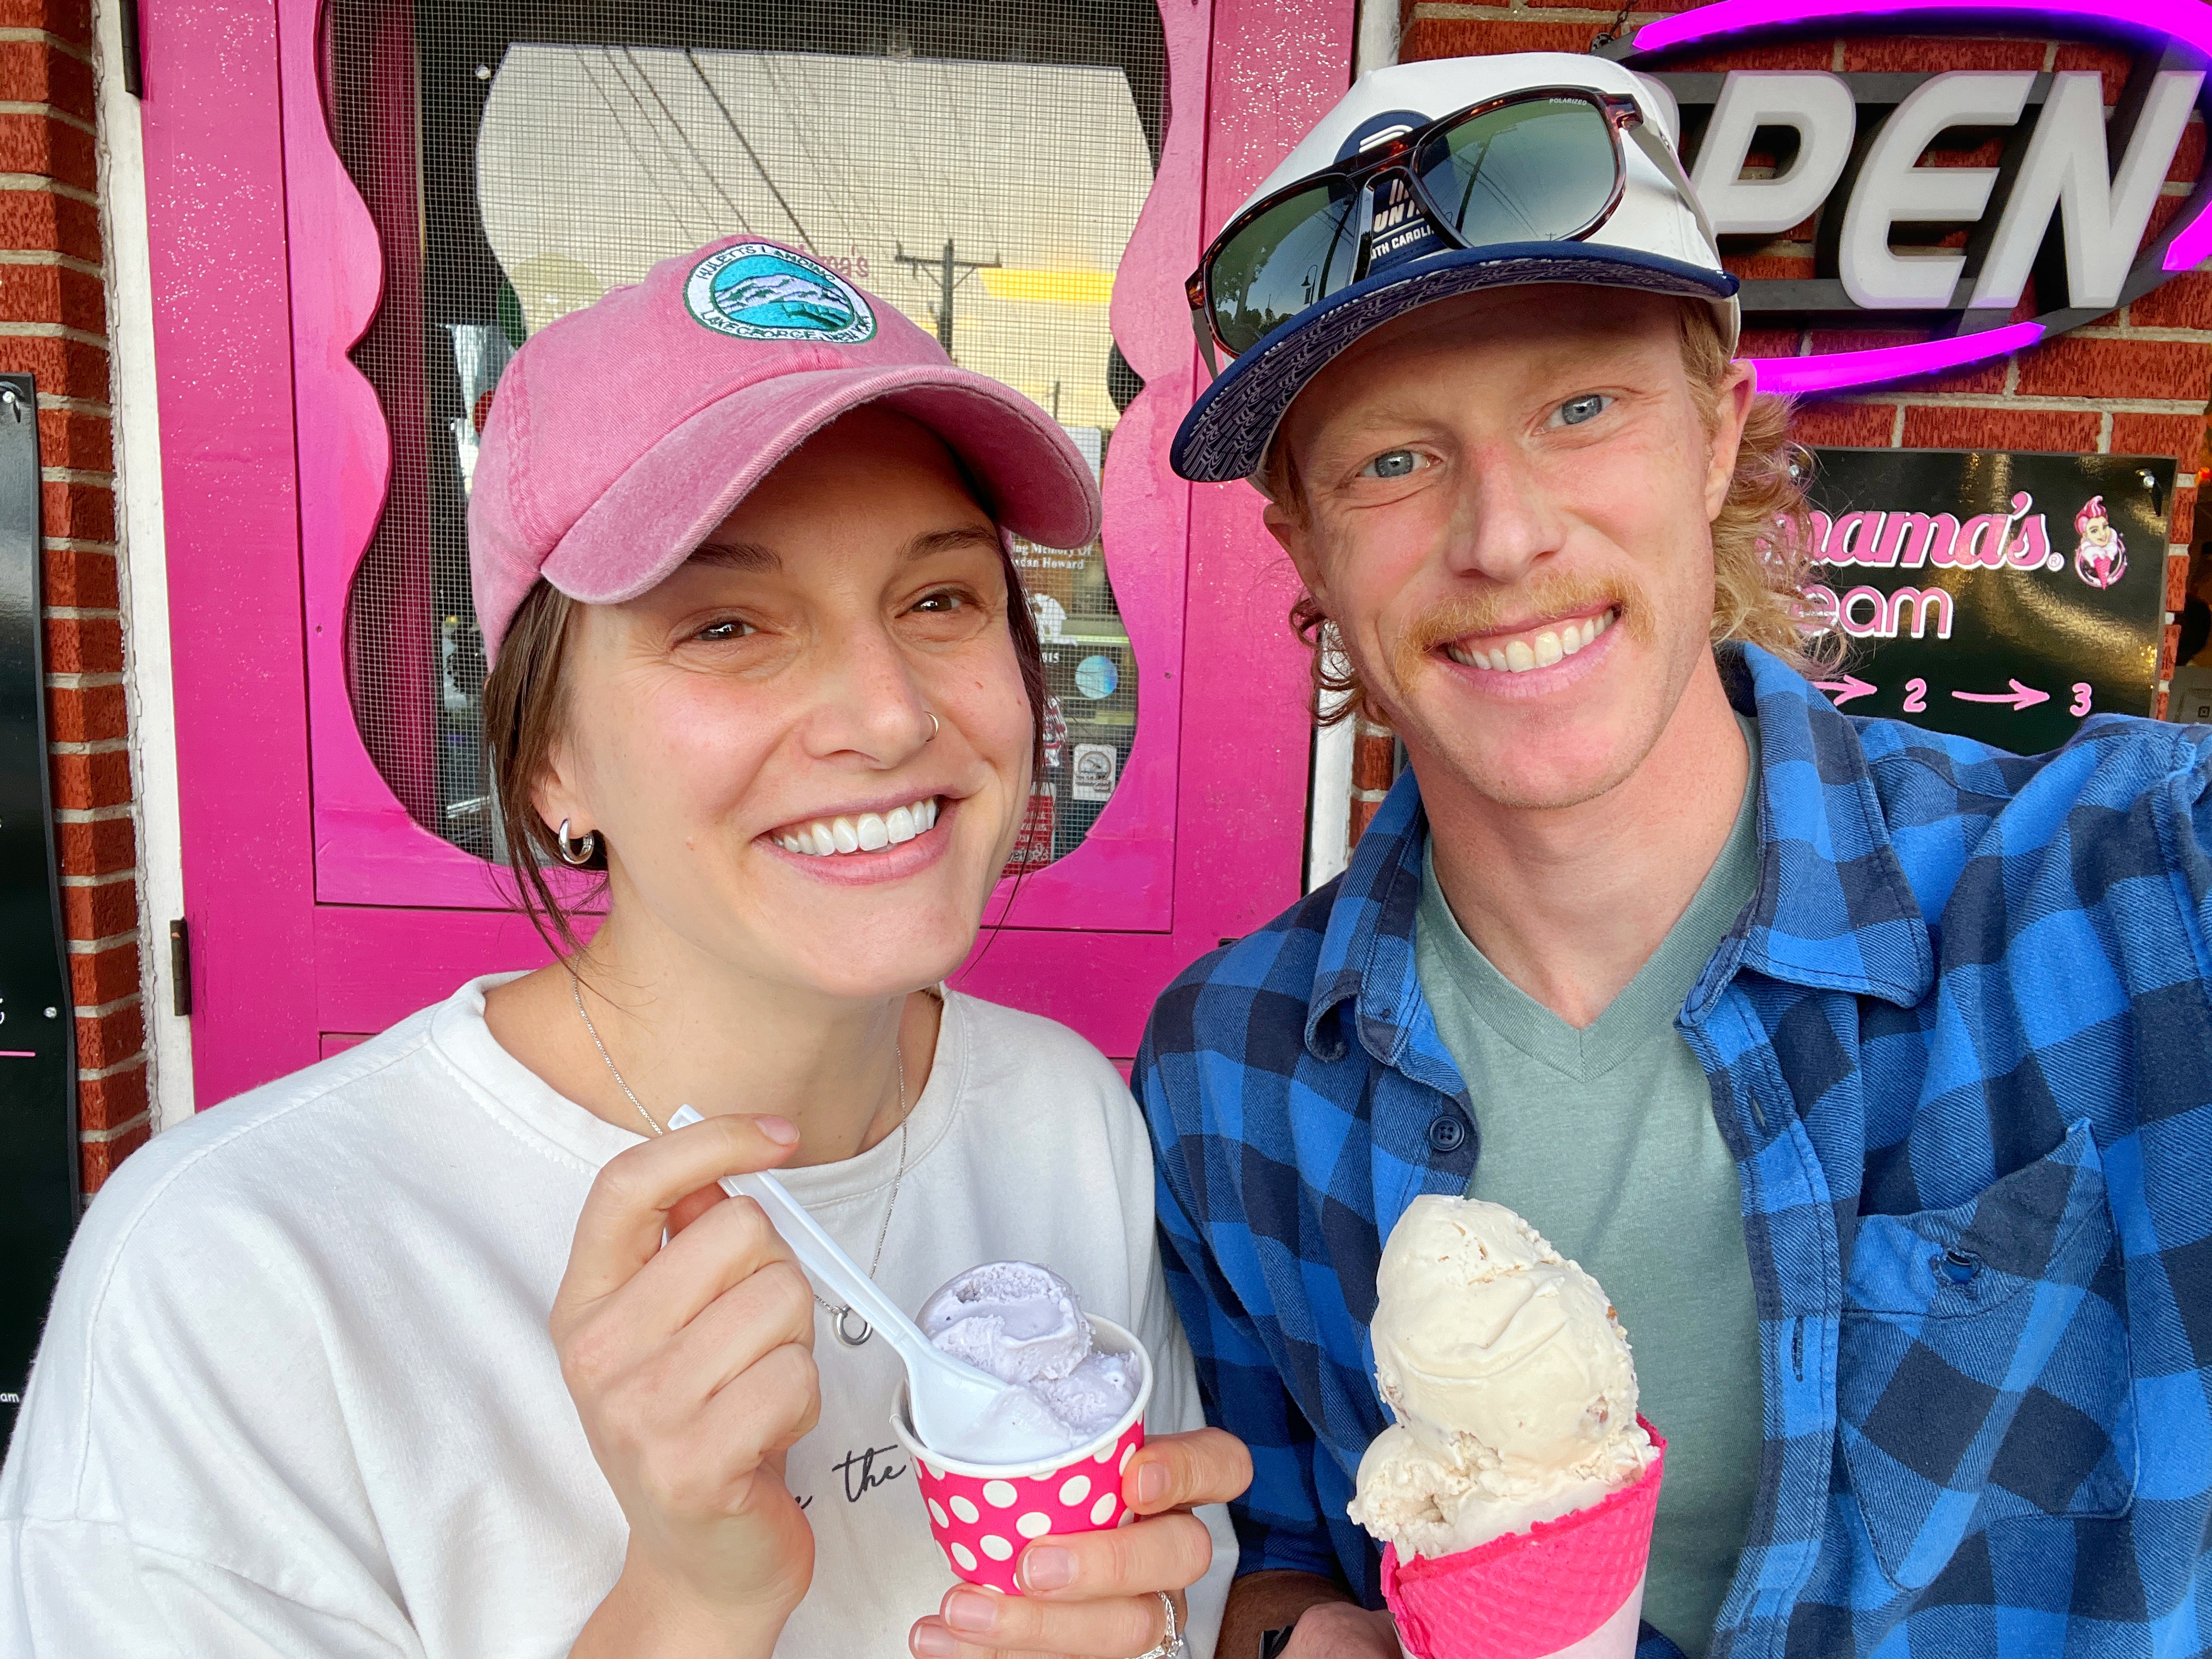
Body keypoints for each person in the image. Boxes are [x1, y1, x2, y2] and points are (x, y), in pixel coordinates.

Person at [0, 237, 1249, 1658]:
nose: (891, 714)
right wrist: (686, 1602)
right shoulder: (237, 1280)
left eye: (941, 598)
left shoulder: (1063, 1121)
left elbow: (1172, 1612)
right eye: (726, 625)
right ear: (548, 766)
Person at [1139, 52, 2212, 1659]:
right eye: (1392, 461)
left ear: (1716, 437)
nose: (1504, 537)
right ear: (1304, 541)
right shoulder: (1230, 1066)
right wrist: (1301, 1641)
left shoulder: (2130, 890)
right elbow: (1271, 1552)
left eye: (1582, 408)